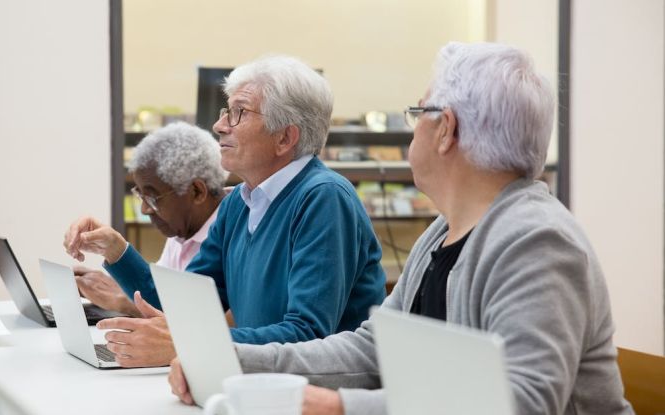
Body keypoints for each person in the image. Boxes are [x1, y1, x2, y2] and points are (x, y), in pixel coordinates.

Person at [168, 42, 632, 414]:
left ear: (446, 129)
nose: (413, 130)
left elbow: (521, 402)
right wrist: (235, 360)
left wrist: (339, 406)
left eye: (420, 113)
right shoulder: (442, 233)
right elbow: (374, 348)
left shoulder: (537, 241)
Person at [66, 55, 387, 368]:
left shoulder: (323, 198)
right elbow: (186, 304)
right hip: (254, 384)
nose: (219, 125)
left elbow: (309, 336)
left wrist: (191, 344)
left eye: (239, 112)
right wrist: (116, 250)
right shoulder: (239, 203)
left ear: (285, 137)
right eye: (226, 111)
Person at [64, 121, 228, 318]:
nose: (144, 209)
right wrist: (117, 274)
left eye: (152, 198)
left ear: (197, 191)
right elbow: (159, 294)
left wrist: (123, 301)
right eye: (140, 196)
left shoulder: (233, 231)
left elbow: (195, 317)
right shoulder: (184, 229)